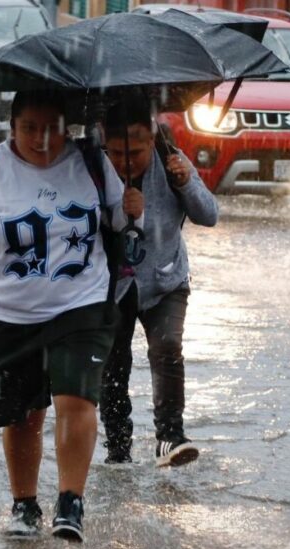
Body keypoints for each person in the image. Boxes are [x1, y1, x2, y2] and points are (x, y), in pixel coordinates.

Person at [0, 89, 144, 542]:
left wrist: (132, 209)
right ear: (11, 127)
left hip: (81, 304)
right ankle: (25, 504)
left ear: (66, 126)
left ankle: (71, 501)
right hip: (9, 314)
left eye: (50, 128)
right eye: (28, 128)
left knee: (76, 399)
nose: (40, 138)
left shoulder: (90, 161)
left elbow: (119, 222)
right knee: (23, 416)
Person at [100, 95, 218, 468]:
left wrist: (186, 182)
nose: (125, 162)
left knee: (167, 348)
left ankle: (170, 437)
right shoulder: (92, 167)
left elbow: (210, 215)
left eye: (135, 152)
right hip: (111, 284)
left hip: (166, 277)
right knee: (112, 364)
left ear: (151, 140)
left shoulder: (171, 161)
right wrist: (117, 211)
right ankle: (118, 449)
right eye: (116, 152)